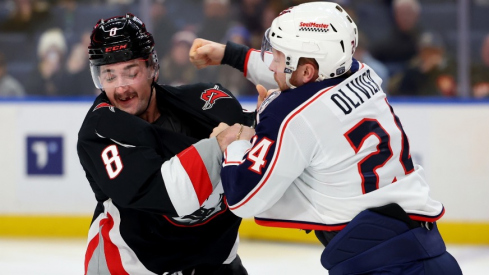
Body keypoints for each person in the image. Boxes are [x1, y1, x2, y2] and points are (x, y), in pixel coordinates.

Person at [189, 2, 463, 274]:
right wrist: (230, 54)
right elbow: (297, 77)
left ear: (307, 71)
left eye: (279, 55)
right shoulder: (360, 72)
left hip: (381, 267)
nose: (271, 63)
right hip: (431, 253)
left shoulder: (292, 115)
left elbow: (243, 198)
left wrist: (235, 142)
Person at [77, 13, 254, 275]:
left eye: (131, 72)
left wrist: (269, 117)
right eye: (109, 76)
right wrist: (219, 145)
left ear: (152, 68)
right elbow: (166, 193)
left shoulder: (208, 102)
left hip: (213, 260)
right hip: (134, 265)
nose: (122, 87)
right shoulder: (100, 132)